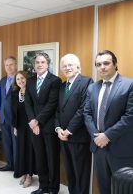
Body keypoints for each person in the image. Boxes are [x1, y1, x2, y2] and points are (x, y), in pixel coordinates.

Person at [84, 50, 133, 194]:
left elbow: (130, 116)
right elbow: (87, 114)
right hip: (99, 147)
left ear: (115, 64)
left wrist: (107, 135)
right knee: (103, 186)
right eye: (98, 64)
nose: (102, 67)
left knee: (122, 189)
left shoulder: (129, 84)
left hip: (121, 147)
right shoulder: (93, 87)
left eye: (106, 63)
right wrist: (97, 136)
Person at [55, 54, 93, 194]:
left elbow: (84, 109)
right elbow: (58, 110)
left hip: (78, 136)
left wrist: (69, 130)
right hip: (63, 137)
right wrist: (58, 129)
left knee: (81, 174)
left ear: (78, 66)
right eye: (64, 66)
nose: (67, 68)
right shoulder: (62, 85)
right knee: (70, 172)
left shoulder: (87, 82)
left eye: (70, 65)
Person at [25, 52, 61, 194]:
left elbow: (52, 104)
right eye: (37, 62)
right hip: (34, 127)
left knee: (52, 158)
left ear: (47, 64)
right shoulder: (30, 81)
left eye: (42, 62)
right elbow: (28, 104)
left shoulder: (55, 80)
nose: (39, 65)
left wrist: (37, 121)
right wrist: (32, 122)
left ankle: (53, 188)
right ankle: (43, 186)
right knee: (39, 157)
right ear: (34, 65)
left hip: (49, 125)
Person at [11, 71, 35, 188]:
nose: (20, 81)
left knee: (30, 150)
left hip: (31, 125)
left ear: (27, 79)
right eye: (18, 79)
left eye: (22, 78)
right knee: (21, 150)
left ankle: (30, 175)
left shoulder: (32, 91)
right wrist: (15, 126)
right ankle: (24, 173)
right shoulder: (15, 93)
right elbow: (14, 112)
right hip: (20, 126)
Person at [0, 56, 18, 173]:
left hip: (15, 118)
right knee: (7, 143)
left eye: (11, 64)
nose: (9, 67)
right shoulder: (3, 80)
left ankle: (17, 167)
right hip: (3, 118)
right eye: (6, 65)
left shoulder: (20, 79)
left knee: (16, 144)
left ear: (16, 65)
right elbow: (2, 99)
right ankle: (10, 164)